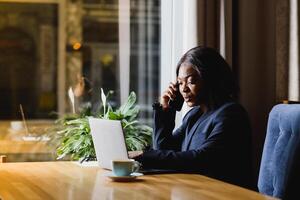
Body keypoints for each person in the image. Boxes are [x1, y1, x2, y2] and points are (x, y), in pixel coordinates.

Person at [129, 46, 253, 189]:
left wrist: (144, 156)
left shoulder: (232, 114)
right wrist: (166, 110)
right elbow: (163, 148)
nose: (183, 89)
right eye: (180, 83)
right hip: (197, 191)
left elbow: (201, 159)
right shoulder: (194, 115)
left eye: (191, 81)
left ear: (211, 78)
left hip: (226, 194)